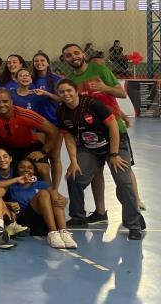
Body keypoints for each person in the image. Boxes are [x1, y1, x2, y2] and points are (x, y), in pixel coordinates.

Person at [56, 79, 143, 240]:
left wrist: (115, 154)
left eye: (69, 90)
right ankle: (78, 217)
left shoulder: (93, 104)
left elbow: (113, 127)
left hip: (114, 146)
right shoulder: (61, 111)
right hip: (89, 148)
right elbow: (68, 137)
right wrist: (73, 161)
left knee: (123, 181)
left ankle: (134, 223)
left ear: (76, 91)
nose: (66, 94)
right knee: (74, 176)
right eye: (62, 92)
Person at [0, 89, 59, 186]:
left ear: (11, 101)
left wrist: (43, 151)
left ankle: (51, 194)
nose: (1, 105)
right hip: (8, 148)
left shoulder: (25, 114)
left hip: (30, 146)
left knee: (43, 169)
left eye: (5, 101)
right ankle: (2, 197)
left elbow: (53, 130)